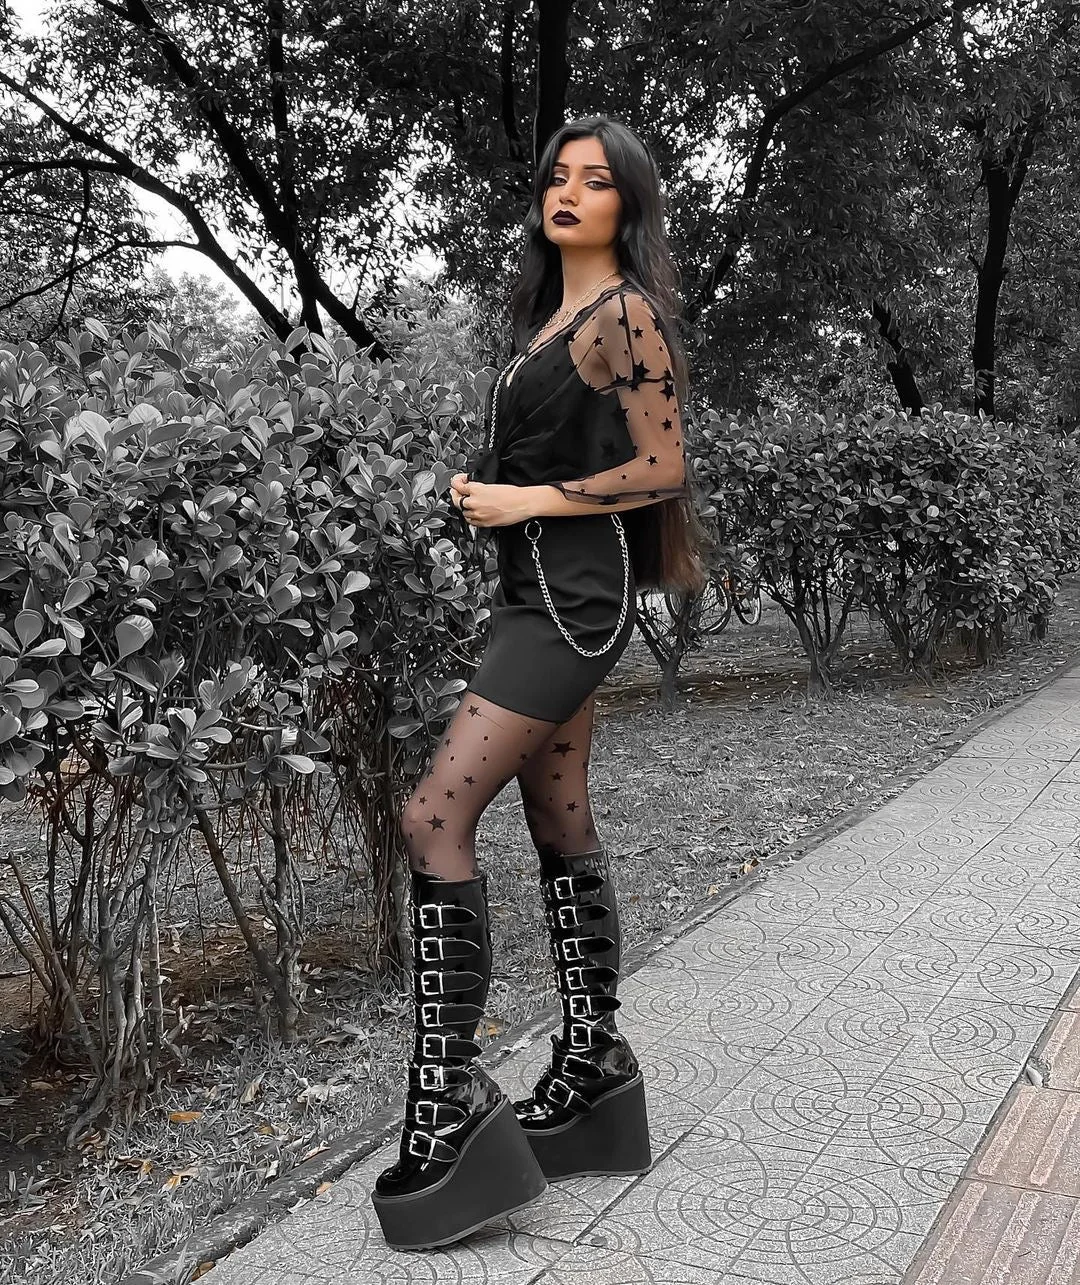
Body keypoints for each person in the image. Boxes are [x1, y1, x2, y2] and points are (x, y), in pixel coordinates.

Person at [371, 115, 709, 1251]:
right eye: (558, 176)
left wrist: (527, 501)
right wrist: (491, 491)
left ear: (628, 204)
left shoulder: (625, 313)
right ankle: (594, 1067)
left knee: (433, 815)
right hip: (538, 588)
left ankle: (451, 1099)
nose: (568, 192)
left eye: (595, 181)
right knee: (558, 817)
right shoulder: (551, 321)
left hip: (573, 597)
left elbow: (664, 464)